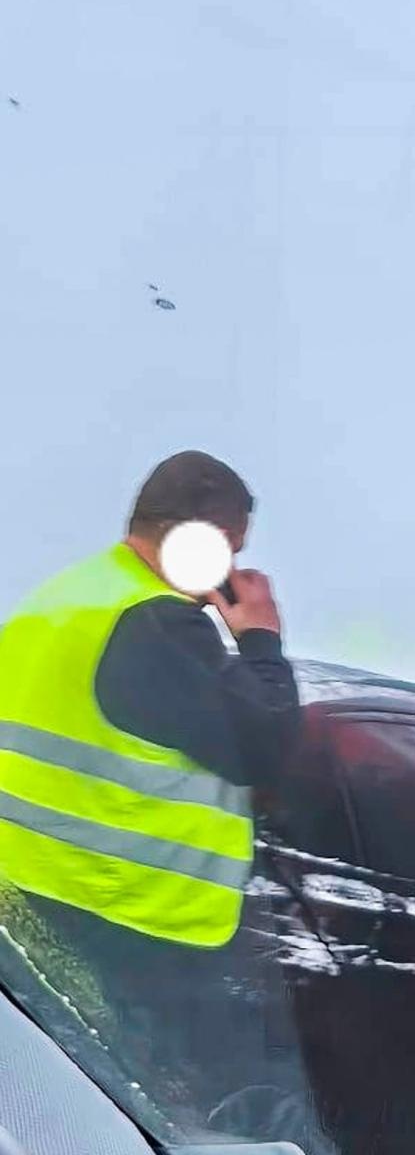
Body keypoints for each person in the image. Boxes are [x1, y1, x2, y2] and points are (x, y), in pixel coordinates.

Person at [0, 450, 333, 1152]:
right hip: (144, 912)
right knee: (244, 1105)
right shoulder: (153, 624)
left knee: (98, 1089)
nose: (230, 571)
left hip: (44, 890)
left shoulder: (70, 598)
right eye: (229, 549)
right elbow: (263, 741)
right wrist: (261, 638)